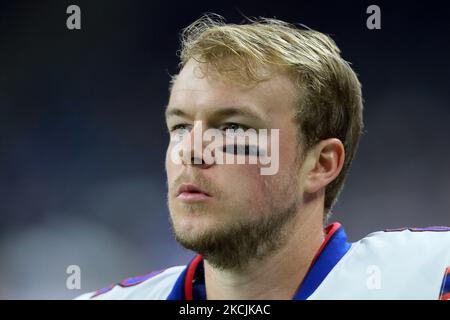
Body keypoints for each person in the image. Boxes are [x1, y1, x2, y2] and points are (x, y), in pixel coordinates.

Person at [76, 14, 450, 300]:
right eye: (180, 127)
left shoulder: (431, 276)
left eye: (234, 129)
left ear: (320, 165)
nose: (191, 150)